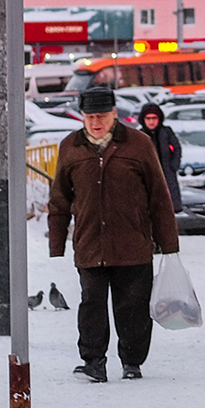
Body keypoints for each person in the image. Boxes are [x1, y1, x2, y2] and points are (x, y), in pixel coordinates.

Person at [48, 86, 180, 383]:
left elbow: (159, 197)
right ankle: (93, 361)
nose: (96, 123)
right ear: (82, 117)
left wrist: (169, 245)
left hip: (132, 243)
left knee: (132, 307)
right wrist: (56, 247)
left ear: (115, 115)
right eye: (90, 116)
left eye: (102, 116)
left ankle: (132, 360)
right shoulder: (70, 147)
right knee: (91, 304)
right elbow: (59, 200)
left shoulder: (138, 144)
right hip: (89, 243)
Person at [137, 103, 184, 215]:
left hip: (167, 173)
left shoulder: (166, 132)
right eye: (148, 118)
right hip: (147, 175)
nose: (151, 122)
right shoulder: (139, 135)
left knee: (170, 205)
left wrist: (174, 165)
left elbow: (176, 148)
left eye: (154, 118)